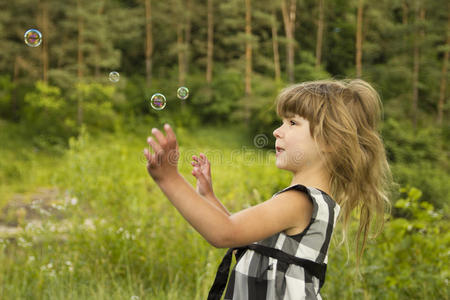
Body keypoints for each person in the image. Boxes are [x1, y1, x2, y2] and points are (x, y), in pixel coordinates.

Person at [143, 78, 396, 300]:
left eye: (292, 123)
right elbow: (246, 238)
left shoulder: (300, 201)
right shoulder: (307, 201)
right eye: (281, 122)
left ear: (329, 141)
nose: (277, 131)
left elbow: (224, 233)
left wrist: (169, 179)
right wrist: (208, 197)